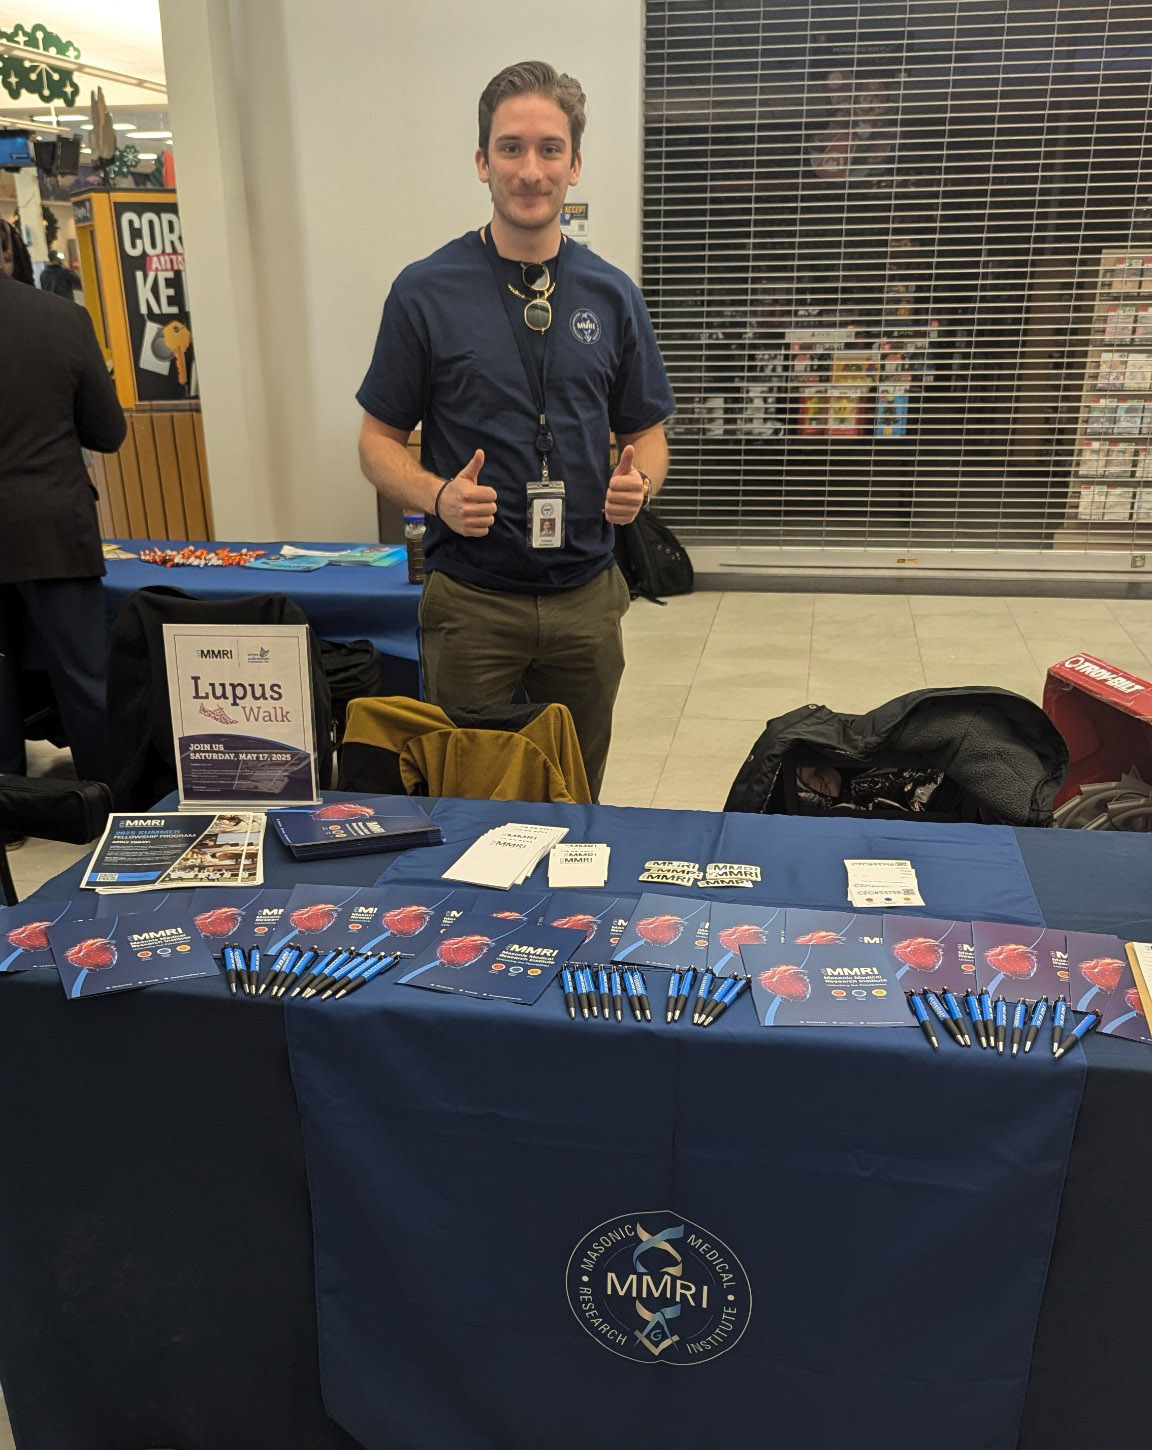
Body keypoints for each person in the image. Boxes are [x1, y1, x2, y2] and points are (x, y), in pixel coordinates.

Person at [356, 60, 674, 798]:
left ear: (574, 164)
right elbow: (375, 442)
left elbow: (648, 433)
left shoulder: (612, 295)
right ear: (481, 162)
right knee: (466, 802)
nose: (530, 170)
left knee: (577, 798)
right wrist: (436, 496)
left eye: (549, 149)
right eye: (511, 148)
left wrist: (640, 483)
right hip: (473, 602)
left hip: (586, 600)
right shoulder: (424, 291)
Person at [0, 222, 127, 785]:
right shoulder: (62, 318)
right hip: (53, 526)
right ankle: (112, 807)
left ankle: (10, 812)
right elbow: (107, 431)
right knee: (87, 681)